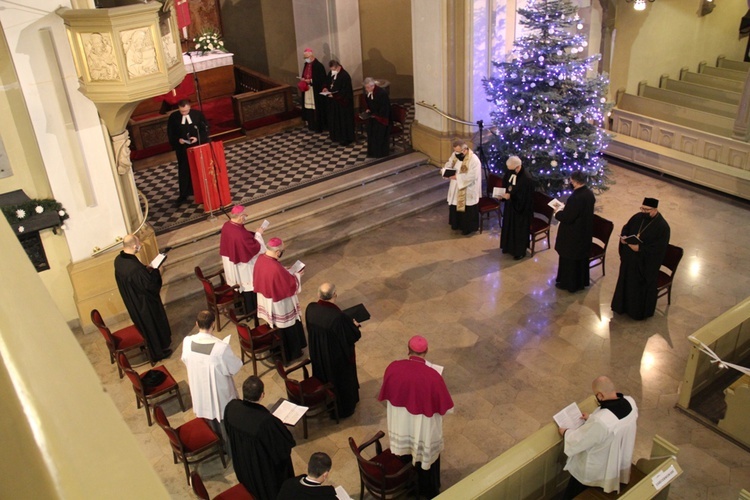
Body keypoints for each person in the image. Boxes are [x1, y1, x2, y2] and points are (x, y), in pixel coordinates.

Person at [378, 335, 454, 499]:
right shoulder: (433, 376)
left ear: (408, 350)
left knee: (406, 453)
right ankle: (428, 491)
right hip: (423, 429)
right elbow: (445, 408)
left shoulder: (394, 367)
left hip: (401, 424)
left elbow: (388, 393)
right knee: (425, 459)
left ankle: (407, 482)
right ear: (426, 351)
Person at [557, 376, 638, 499]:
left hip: (597, 469)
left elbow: (581, 440)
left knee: (573, 493)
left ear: (600, 395)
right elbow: (614, 426)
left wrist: (566, 432)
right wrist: (591, 418)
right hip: (619, 460)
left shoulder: (601, 422)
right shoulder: (631, 402)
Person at [224, 375, 296, 500]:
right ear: (262, 395)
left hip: (243, 464)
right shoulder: (266, 422)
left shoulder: (231, 407)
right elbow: (283, 448)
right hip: (263, 472)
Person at [180, 310, 242, 442]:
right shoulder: (221, 348)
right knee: (224, 424)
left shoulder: (187, 342)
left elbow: (185, 359)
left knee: (209, 420)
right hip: (218, 393)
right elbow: (235, 367)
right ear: (213, 324)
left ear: (197, 324)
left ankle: (214, 440)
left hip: (199, 388)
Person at [305, 283, 362, 418]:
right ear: (335, 295)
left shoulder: (310, 308)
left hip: (319, 353)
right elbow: (351, 336)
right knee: (340, 381)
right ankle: (344, 408)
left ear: (319, 295)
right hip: (335, 358)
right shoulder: (338, 317)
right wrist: (354, 326)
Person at [114, 234, 172, 361]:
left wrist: (145, 270)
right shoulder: (134, 269)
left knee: (145, 326)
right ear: (134, 246)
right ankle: (158, 352)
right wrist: (157, 271)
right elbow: (150, 286)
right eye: (139, 243)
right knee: (152, 325)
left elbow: (137, 280)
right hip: (144, 304)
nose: (140, 245)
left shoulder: (119, 260)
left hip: (133, 301)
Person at [611, 198, 670, 320]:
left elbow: (659, 249)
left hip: (644, 265)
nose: (643, 212)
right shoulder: (638, 217)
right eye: (642, 208)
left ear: (655, 210)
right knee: (625, 283)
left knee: (637, 289)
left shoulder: (662, 227)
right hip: (630, 261)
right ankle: (621, 307)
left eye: (646, 210)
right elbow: (626, 227)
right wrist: (624, 237)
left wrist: (640, 248)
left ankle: (635, 312)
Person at [253, 237, 307, 361]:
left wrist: (284, 270)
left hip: (266, 299)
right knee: (286, 327)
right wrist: (298, 275)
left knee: (275, 326)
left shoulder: (261, 258)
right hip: (279, 304)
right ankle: (291, 353)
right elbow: (289, 285)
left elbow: (275, 274)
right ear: (277, 252)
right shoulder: (275, 267)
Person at [554, 171, 596, 292]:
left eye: (572, 180)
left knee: (569, 260)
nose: (570, 182)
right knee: (580, 260)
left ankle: (569, 284)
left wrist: (558, 212)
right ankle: (580, 282)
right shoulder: (589, 193)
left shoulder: (576, 197)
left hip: (573, 234)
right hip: (584, 232)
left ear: (576, 181)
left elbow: (568, 217)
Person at [220, 205, 266, 312]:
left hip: (231, 259)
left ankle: (243, 307)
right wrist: (258, 235)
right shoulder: (239, 234)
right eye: (245, 215)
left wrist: (253, 234)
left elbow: (245, 236)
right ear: (240, 217)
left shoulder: (227, 225)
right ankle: (251, 310)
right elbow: (253, 247)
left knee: (240, 284)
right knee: (248, 285)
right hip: (243, 264)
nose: (246, 217)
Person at [166, 99, 209, 206]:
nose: (184, 113)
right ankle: (184, 194)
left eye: (186, 111)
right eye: (182, 111)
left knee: (199, 169)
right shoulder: (174, 117)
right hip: (182, 149)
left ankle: (202, 192)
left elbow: (205, 129)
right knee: (184, 170)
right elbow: (170, 132)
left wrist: (197, 138)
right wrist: (178, 140)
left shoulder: (197, 115)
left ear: (189, 107)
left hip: (196, 146)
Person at [440, 140, 482, 236]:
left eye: (458, 152)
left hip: (468, 188)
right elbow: (449, 163)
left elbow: (472, 176)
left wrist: (457, 177)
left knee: (467, 209)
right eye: (455, 151)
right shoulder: (455, 154)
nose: (456, 154)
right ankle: (456, 224)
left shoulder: (474, 160)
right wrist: (446, 171)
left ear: (464, 150)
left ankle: (468, 228)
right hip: (456, 186)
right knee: (455, 205)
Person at [500, 155, 534, 260]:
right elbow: (506, 182)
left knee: (518, 231)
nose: (509, 172)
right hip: (511, 207)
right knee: (509, 226)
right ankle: (508, 247)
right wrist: (503, 193)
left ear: (518, 167)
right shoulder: (512, 171)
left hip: (521, 210)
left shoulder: (526, 179)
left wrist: (511, 196)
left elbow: (525, 197)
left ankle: (520, 251)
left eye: (511, 169)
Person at [322, 60, 355, 146]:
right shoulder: (331, 73)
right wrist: (325, 88)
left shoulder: (345, 76)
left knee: (343, 121)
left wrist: (335, 96)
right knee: (334, 119)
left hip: (342, 104)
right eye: (331, 69)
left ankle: (345, 138)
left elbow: (346, 92)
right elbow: (327, 81)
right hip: (333, 103)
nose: (332, 71)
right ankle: (335, 136)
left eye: (334, 69)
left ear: (338, 67)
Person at [299, 48, 327, 132]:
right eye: (305, 57)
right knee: (309, 108)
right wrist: (303, 79)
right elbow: (305, 74)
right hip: (308, 90)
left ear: (311, 56)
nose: (306, 59)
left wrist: (311, 81)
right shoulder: (306, 64)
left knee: (316, 108)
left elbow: (322, 79)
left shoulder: (318, 66)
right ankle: (311, 125)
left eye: (306, 57)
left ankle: (318, 125)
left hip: (315, 90)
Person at [363, 77, 390, 158]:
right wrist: (368, 109)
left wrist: (375, 115)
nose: (366, 89)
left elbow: (384, 108)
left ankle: (380, 153)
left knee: (377, 133)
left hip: (382, 119)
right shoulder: (369, 93)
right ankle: (372, 152)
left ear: (372, 86)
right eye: (366, 87)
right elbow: (370, 103)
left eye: (367, 87)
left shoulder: (381, 94)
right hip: (374, 117)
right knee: (370, 131)